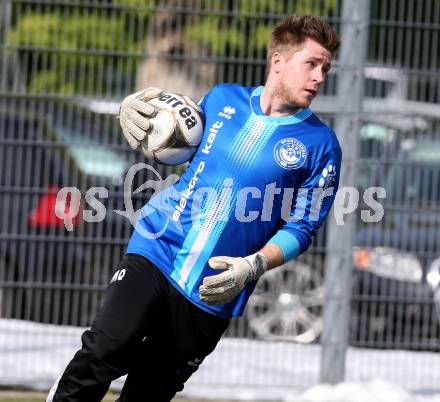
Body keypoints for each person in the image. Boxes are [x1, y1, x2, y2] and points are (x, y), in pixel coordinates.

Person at [47, 14, 341, 402]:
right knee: (107, 349)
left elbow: (303, 228)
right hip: (159, 247)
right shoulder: (222, 99)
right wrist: (137, 110)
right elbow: (175, 139)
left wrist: (253, 265)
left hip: (215, 287)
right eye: (312, 64)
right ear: (278, 61)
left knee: (148, 393)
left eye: (325, 68)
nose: (319, 77)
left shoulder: (321, 144)